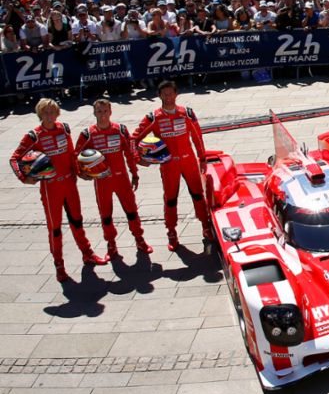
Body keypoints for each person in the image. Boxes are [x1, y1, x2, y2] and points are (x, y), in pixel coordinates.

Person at [10, 98, 107, 282]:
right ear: (40, 114)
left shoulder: (64, 129)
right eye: (45, 112)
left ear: (57, 113)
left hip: (69, 185)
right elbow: (15, 159)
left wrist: (80, 172)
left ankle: (87, 253)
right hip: (50, 188)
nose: (49, 115)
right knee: (55, 229)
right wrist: (24, 178)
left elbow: (72, 155)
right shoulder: (34, 136)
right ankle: (59, 265)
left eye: (52, 111)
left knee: (77, 221)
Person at [132, 80, 211, 250]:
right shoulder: (153, 117)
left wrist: (202, 158)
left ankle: (205, 226)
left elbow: (197, 137)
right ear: (159, 96)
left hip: (188, 161)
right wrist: (138, 158)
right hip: (168, 165)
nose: (168, 97)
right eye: (164, 94)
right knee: (170, 199)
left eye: (171, 93)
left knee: (198, 195)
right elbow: (133, 139)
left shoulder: (187, 113)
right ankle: (172, 232)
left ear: (176, 94)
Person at [76, 98, 151, 258]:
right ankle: (111, 245)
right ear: (94, 113)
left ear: (110, 112)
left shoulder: (121, 130)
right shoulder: (87, 134)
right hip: (102, 181)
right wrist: (82, 173)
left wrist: (135, 173)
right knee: (106, 215)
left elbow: (130, 154)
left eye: (105, 111)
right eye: (99, 111)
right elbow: (77, 156)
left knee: (131, 211)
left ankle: (139, 239)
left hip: (121, 179)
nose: (102, 115)